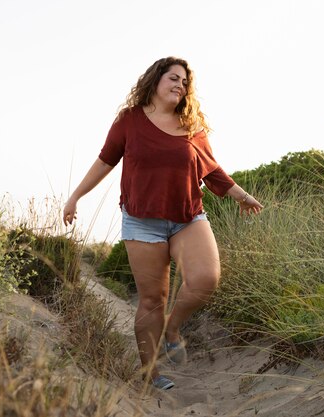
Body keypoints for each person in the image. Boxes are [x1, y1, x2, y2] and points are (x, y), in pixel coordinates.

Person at [63, 56, 263, 390]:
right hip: (142, 222)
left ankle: (172, 329)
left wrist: (241, 195)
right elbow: (105, 161)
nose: (179, 86)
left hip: (187, 217)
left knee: (205, 279)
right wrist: (75, 197)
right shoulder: (130, 121)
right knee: (152, 300)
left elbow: (211, 169)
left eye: (184, 82)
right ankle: (150, 373)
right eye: (173, 78)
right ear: (155, 81)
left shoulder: (191, 124)